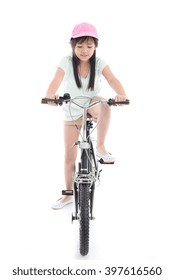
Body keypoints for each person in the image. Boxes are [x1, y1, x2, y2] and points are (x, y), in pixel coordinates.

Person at [45, 22, 127, 209]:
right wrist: (50, 95)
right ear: (72, 45)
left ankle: (100, 146)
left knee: (105, 104)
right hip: (72, 108)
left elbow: (112, 79)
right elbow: (56, 80)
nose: (84, 50)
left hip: (91, 105)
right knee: (69, 155)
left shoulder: (98, 63)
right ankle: (68, 194)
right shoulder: (66, 62)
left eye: (89, 46)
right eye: (80, 45)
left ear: (95, 46)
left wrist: (122, 94)